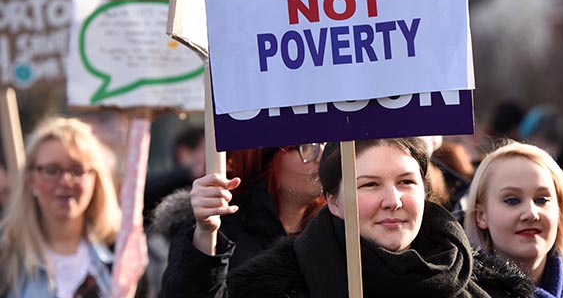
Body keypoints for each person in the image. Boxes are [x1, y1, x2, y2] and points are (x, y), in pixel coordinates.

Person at [189, 138, 533, 297]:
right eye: (369, 185)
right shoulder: (276, 288)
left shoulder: (490, 286)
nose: (393, 201)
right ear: (333, 201)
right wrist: (205, 233)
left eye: (406, 182)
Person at [155, 143, 326, 297]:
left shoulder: (334, 229)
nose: (322, 156)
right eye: (308, 147)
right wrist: (205, 234)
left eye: (326, 144)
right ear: (267, 159)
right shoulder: (210, 228)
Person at [0, 117, 122, 297]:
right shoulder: (6, 255)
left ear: (95, 179)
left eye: (77, 170)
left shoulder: (123, 254)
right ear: (31, 179)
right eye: (51, 170)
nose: (65, 181)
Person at [464, 141, 563, 297]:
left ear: (560, 210)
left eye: (542, 200)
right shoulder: (459, 290)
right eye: (512, 200)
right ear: (481, 216)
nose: (531, 213)